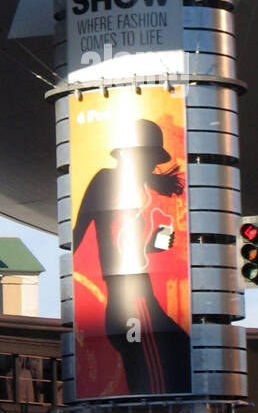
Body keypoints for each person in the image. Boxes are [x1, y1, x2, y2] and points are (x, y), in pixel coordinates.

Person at [72, 118, 190, 395]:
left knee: (154, 375)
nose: (151, 167)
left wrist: (150, 246)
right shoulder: (108, 180)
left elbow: (114, 242)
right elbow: (84, 237)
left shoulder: (130, 188)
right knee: (160, 380)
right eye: (148, 158)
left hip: (133, 300)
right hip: (133, 301)